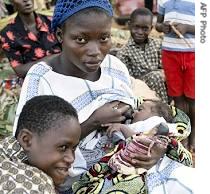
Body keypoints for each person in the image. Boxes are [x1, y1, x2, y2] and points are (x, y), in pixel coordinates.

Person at [13, 0, 192, 193]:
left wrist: (150, 151)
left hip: (136, 165)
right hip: (86, 181)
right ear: (60, 35)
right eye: (81, 39)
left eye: (104, 38)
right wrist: (94, 120)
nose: (95, 52)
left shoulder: (114, 66)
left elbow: (137, 120)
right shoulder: (42, 78)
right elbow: (30, 148)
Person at [72, 100, 194, 194]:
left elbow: (142, 139)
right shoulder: (135, 124)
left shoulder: (153, 123)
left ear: (155, 115)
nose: (134, 113)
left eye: (140, 109)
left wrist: (123, 128)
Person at [0, 95, 81, 193]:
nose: (71, 159)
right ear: (26, 140)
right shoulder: (33, 186)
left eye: (73, 149)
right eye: (63, 147)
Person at [155, 0, 195, 151]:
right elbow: (158, 24)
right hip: (170, 54)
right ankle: (183, 134)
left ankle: (195, 135)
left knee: (193, 97)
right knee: (177, 97)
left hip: (194, 54)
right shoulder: (164, 1)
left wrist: (188, 28)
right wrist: (162, 27)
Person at [117, 8, 168, 103]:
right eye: (136, 27)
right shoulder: (124, 53)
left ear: (151, 28)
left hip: (162, 84)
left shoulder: (158, 45)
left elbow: (164, 68)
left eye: (145, 28)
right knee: (155, 76)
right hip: (140, 91)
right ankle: (163, 108)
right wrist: (153, 75)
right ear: (129, 25)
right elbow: (129, 81)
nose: (140, 32)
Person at [0, 0, 61, 78]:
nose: (26, 0)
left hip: (62, 73)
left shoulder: (51, 21)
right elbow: (19, 70)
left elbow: (67, 49)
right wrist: (52, 59)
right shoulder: (8, 33)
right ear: (12, 2)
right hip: (36, 80)